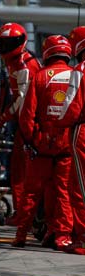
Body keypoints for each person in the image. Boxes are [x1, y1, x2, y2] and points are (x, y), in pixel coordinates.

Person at [13, 35, 74, 249]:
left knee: (31, 192)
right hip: (68, 147)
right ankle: (62, 235)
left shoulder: (39, 77)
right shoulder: (78, 76)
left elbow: (26, 115)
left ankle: (21, 235)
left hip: (43, 146)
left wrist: (33, 140)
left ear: (47, 52)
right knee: (63, 192)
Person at [0, 23, 42, 224]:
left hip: (33, 124)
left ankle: (25, 215)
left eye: (9, 43)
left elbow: (23, 101)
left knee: (24, 171)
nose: (4, 47)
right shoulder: (15, 61)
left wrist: (1, 120)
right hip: (26, 123)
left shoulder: (25, 65)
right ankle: (24, 213)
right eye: (2, 42)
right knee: (19, 170)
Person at [56, 26, 85, 255]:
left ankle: (83, 237)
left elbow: (71, 106)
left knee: (79, 186)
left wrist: (57, 125)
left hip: (82, 131)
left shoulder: (80, 70)